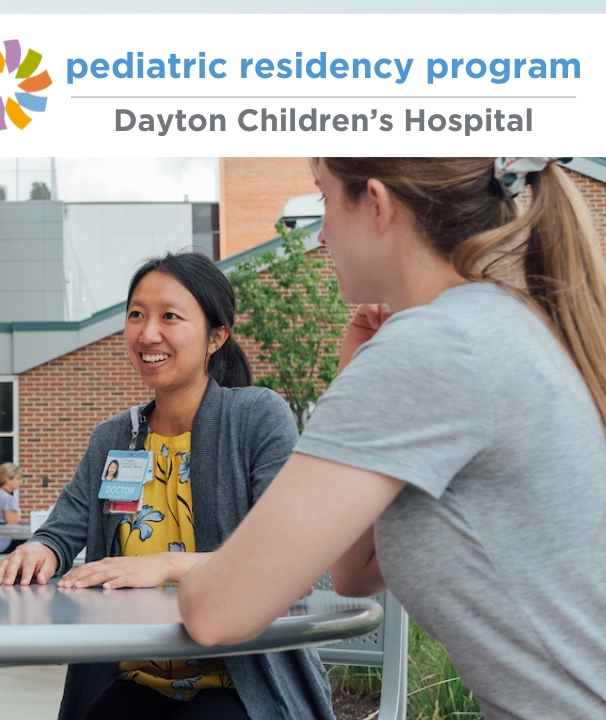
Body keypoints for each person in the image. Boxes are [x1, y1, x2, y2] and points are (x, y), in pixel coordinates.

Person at [176, 158, 606, 720]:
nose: (322, 232)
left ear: (377, 203)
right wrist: (356, 377)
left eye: (325, 199)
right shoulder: (503, 323)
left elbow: (217, 611)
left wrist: (169, 564)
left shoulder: (436, 345)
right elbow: (357, 573)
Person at [0, 253, 333, 720]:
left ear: (216, 336)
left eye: (170, 316)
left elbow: (289, 560)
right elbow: (61, 531)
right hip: (131, 676)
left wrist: (164, 565)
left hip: (240, 678)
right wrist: (40, 551)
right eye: (136, 315)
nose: (148, 334)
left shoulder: (256, 417)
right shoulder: (114, 437)